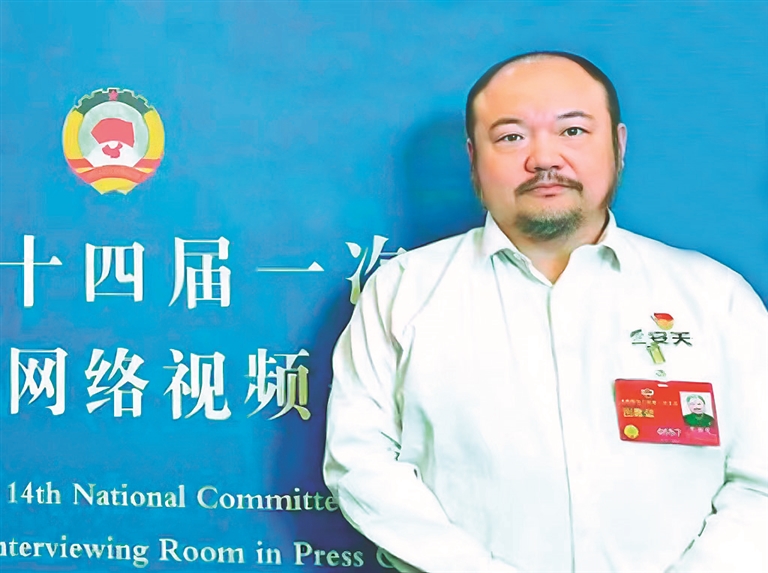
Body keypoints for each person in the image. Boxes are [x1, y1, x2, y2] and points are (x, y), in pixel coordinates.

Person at [323, 51, 767, 573]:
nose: (543, 159)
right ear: (473, 158)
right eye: (511, 137)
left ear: (618, 145)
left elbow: (759, 480)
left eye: (572, 131)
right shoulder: (403, 291)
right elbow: (361, 462)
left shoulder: (714, 296)